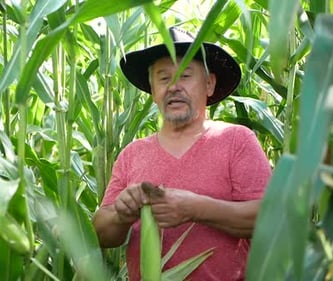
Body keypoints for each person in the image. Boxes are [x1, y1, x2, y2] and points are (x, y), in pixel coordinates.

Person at [92, 27, 272, 281]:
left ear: (209, 85)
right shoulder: (132, 154)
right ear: (153, 91)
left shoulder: (237, 141)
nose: (174, 87)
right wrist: (123, 213)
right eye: (164, 78)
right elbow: (100, 233)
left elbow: (270, 220)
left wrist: (194, 208)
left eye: (185, 76)